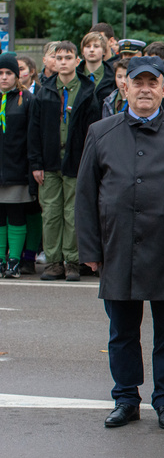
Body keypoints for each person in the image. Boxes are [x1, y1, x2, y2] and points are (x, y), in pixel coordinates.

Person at [75, 56, 164, 430]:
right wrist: (90, 250)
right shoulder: (100, 132)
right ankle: (126, 398)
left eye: (153, 83)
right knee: (121, 333)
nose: (146, 89)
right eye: (139, 83)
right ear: (125, 87)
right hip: (117, 249)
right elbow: (86, 195)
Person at [28, 41, 101, 282]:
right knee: (50, 213)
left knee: (72, 212)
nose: (63, 62)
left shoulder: (88, 90)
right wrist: (36, 163)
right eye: (59, 58)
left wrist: (89, 162)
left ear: (77, 61)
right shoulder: (45, 90)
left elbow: (93, 130)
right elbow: (34, 129)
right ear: (53, 61)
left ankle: (72, 261)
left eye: (68, 58)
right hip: (49, 162)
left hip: (76, 161)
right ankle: (53, 262)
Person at [0, 54, 36, 278]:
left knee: (15, 214)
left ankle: (14, 260)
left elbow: (32, 135)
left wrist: (33, 165)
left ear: (16, 76)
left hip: (17, 167)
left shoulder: (27, 99)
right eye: (0, 73)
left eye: (8, 73)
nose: (4, 78)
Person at [78, 32, 117, 109]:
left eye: (96, 46)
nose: (91, 50)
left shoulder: (113, 76)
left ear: (104, 51)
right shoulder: (75, 75)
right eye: (88, 46)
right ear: (82, 51)